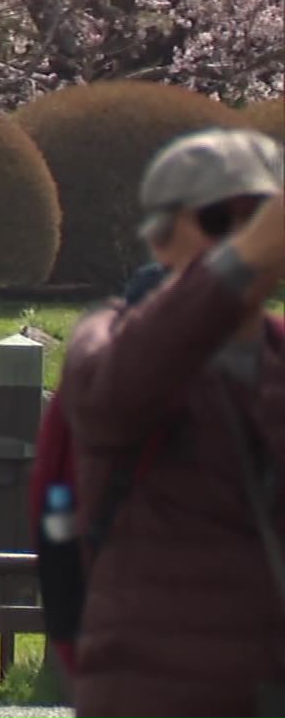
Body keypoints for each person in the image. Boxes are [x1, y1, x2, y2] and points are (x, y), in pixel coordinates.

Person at [58, 128, 285, 718]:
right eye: (219, 220)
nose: (244, 241)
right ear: (160, 239)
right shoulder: (106, 342)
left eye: (259, 221)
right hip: (154, 691)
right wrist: (231, 272)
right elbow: (119, 394)